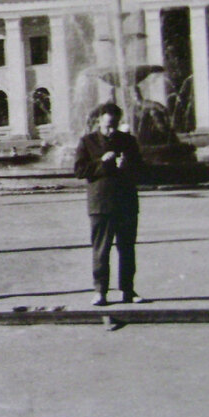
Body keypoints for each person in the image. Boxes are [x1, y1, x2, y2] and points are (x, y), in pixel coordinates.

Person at [73, 101, 146, 306]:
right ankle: (100, 291)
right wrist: (101, 163)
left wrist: (128, 165)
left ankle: (128, 291)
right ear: (99, 121)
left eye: (114, 125)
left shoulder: (128, 141)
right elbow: (79, 170)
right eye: (107, 125)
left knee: (127, 249)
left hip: (126, 204)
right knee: (101, 250)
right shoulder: (87, 141)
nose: (111, 129)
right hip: (100, 204)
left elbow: (142, 170)